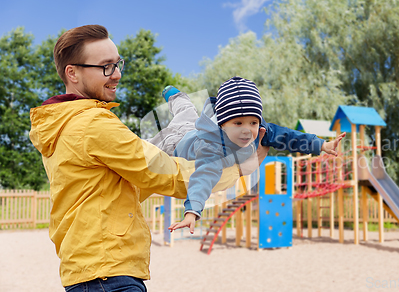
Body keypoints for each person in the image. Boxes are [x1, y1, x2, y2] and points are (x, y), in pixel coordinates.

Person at [29, 25, 267, 291]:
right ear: (72, 72)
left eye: (118, 64)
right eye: (106, 67)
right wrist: (238, 167)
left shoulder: (63, 124)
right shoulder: (92, 124)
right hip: (108, 275)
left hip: (94, 270)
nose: (116, 74)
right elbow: (165, 174)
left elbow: (123, 186)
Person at [166, 76, 346, 233]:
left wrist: (322, 144)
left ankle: (175, 95)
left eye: (252, 122)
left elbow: (289, 137)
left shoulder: (261, 129)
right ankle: (174, 95)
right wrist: (192, 212)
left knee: (188, 115)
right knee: (185, 115)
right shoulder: (212, 146)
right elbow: (203, 176)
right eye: (238, 123)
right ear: (222, 124)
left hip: (196, 130)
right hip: (175, 143)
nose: (247, 130)